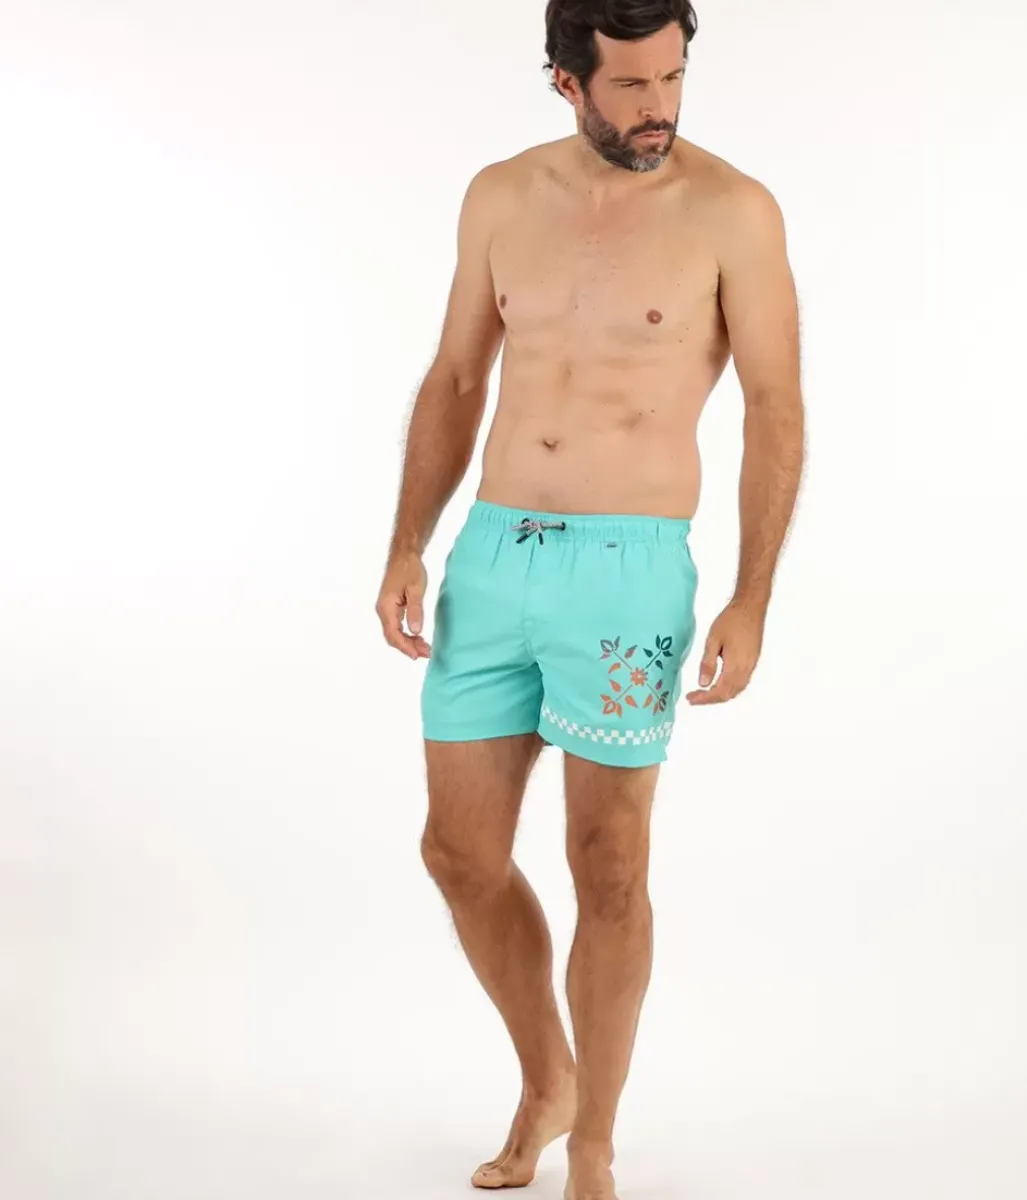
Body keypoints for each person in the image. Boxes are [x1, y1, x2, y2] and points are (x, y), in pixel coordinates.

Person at [375, 2, 804, 1196]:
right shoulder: (501, 197)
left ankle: (597, 1139)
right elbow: (457, 375)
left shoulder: (733, 211)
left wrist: (752, 595)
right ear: (567, 83)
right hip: (494, 556)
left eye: (672, 77)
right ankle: (546, 1075)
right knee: (459, 852)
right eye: (630, 86)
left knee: (607, 864)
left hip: (630, 569)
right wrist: (408, 540)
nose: (659, 106)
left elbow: (776, 407)